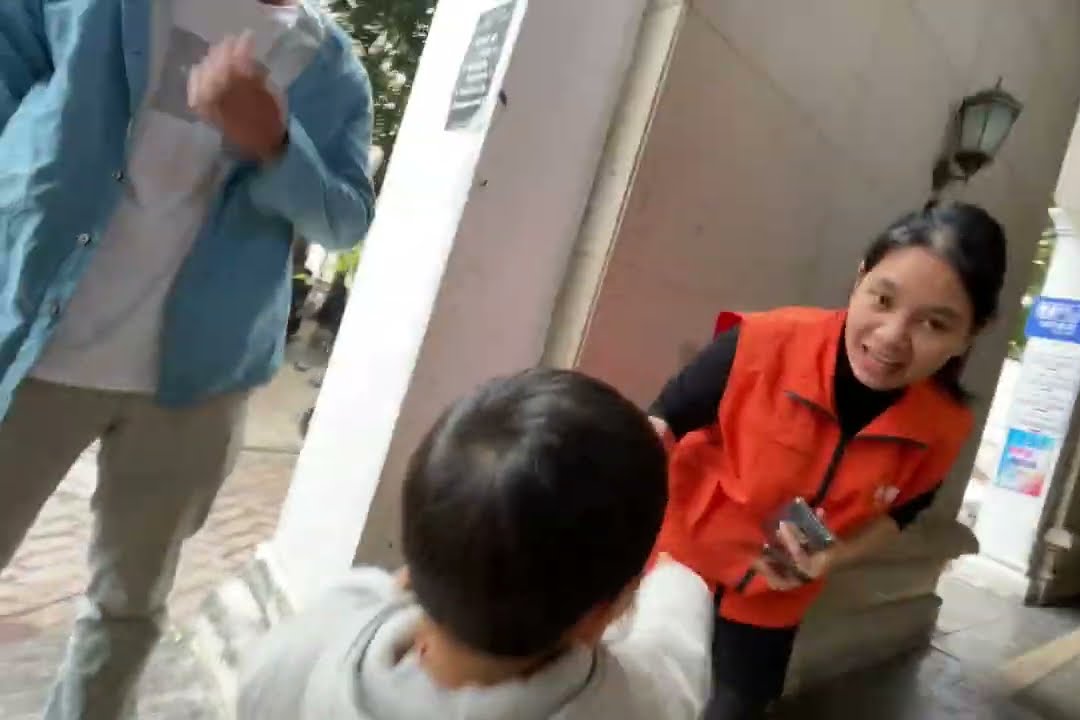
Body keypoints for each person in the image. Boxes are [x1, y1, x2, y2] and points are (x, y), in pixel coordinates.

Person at [0, 1, 374, 717]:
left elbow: (345, 215)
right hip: (32, 341)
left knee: (129, 607)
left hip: (198, 379)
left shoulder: (329, 64)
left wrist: (274, 141)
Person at [649, 203, 1008, 718]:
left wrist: (832, 558)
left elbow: (900, 514)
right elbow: (658, 427)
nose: (890, 337)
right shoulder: (763, 343)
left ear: (972, 333)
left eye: (934, 323)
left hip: (771, 602)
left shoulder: (942, 427)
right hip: (677, 567)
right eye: (882, 299)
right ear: (860, 277)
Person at [237, 368, 715, 719]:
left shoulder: (304, 649)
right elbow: (676, 655)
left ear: (412, 563)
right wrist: (679, 576)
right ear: (596, 619)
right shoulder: (633, 706)